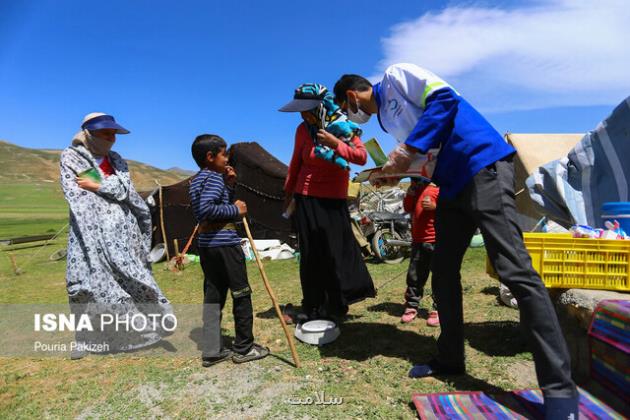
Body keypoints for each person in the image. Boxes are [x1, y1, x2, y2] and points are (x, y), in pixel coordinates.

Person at [334, 64, 578, 418]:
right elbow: (423, 157)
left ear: (352, 96)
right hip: (449, 186)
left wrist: (408, 150)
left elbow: (445, 101)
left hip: (482, 166)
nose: (351, 115)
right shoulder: (387, 121)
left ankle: (559, 392)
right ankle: (449, 359)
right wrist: (395, 174)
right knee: (444, 271)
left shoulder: (396, 76)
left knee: (515, 271)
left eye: (346, 108)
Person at [60, 112, 173, 358]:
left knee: (131, 281)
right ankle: (86, 339)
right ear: (89, 133)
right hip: (88, 235)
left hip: (124, 234)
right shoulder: (72, 157)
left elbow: (127, 192)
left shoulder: (117, 160)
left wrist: (100, 185)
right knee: (83, 285)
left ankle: (147, 331)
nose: (112, 138)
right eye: (106, 133)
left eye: (113, 133)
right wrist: (110, 189)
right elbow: (80, 194)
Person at [279, 83, 376, 322]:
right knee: (311, 255)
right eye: (300, 111)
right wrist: (288, 194)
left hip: (333, 201)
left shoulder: (343, 128)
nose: (303, 115)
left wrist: (335, 143)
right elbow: (295, 164)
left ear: (322, 107)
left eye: (307, 109)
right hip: (306, 198)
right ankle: (312, 305)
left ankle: (337, 304)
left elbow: (361, 157)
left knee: (334, 253)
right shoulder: (303, 130)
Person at [189, 134, 269, 366]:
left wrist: (230, 186)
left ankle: (212, 350)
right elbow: (207, 210)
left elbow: (211, 205)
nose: (227, 159)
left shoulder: (197, 181)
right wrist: (236, 210)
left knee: (213, 296)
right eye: (224, 154)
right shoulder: (213, 178)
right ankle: (244, 348)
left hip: (207, 246)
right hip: (225, 244)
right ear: (210, 157)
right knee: (241, 293)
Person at [401, 180, 439, 327]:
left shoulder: (439, 188)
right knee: (415, 275)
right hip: (418, 240)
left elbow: (450, 209)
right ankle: (411, 305)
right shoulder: (416, 190)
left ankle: (439, 308)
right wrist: (410, 194)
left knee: (439, 276)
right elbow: (407, 207)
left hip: (436, 240)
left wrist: (436, 206)